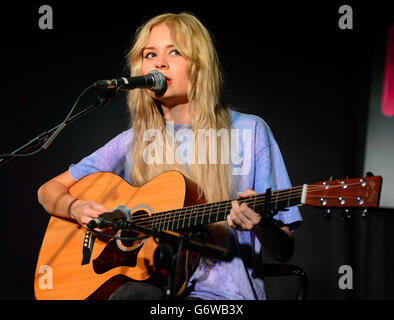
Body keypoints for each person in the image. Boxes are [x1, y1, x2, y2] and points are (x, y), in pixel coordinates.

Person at [37, 12, 302, 300]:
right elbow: (48, 191)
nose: (159, 63)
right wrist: (75, 208)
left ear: (199, 65)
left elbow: (283, 250)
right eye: (150, 54)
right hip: (154, 289)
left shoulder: (249, 132)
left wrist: (261, 223)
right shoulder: (136, 141)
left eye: (174, 51)